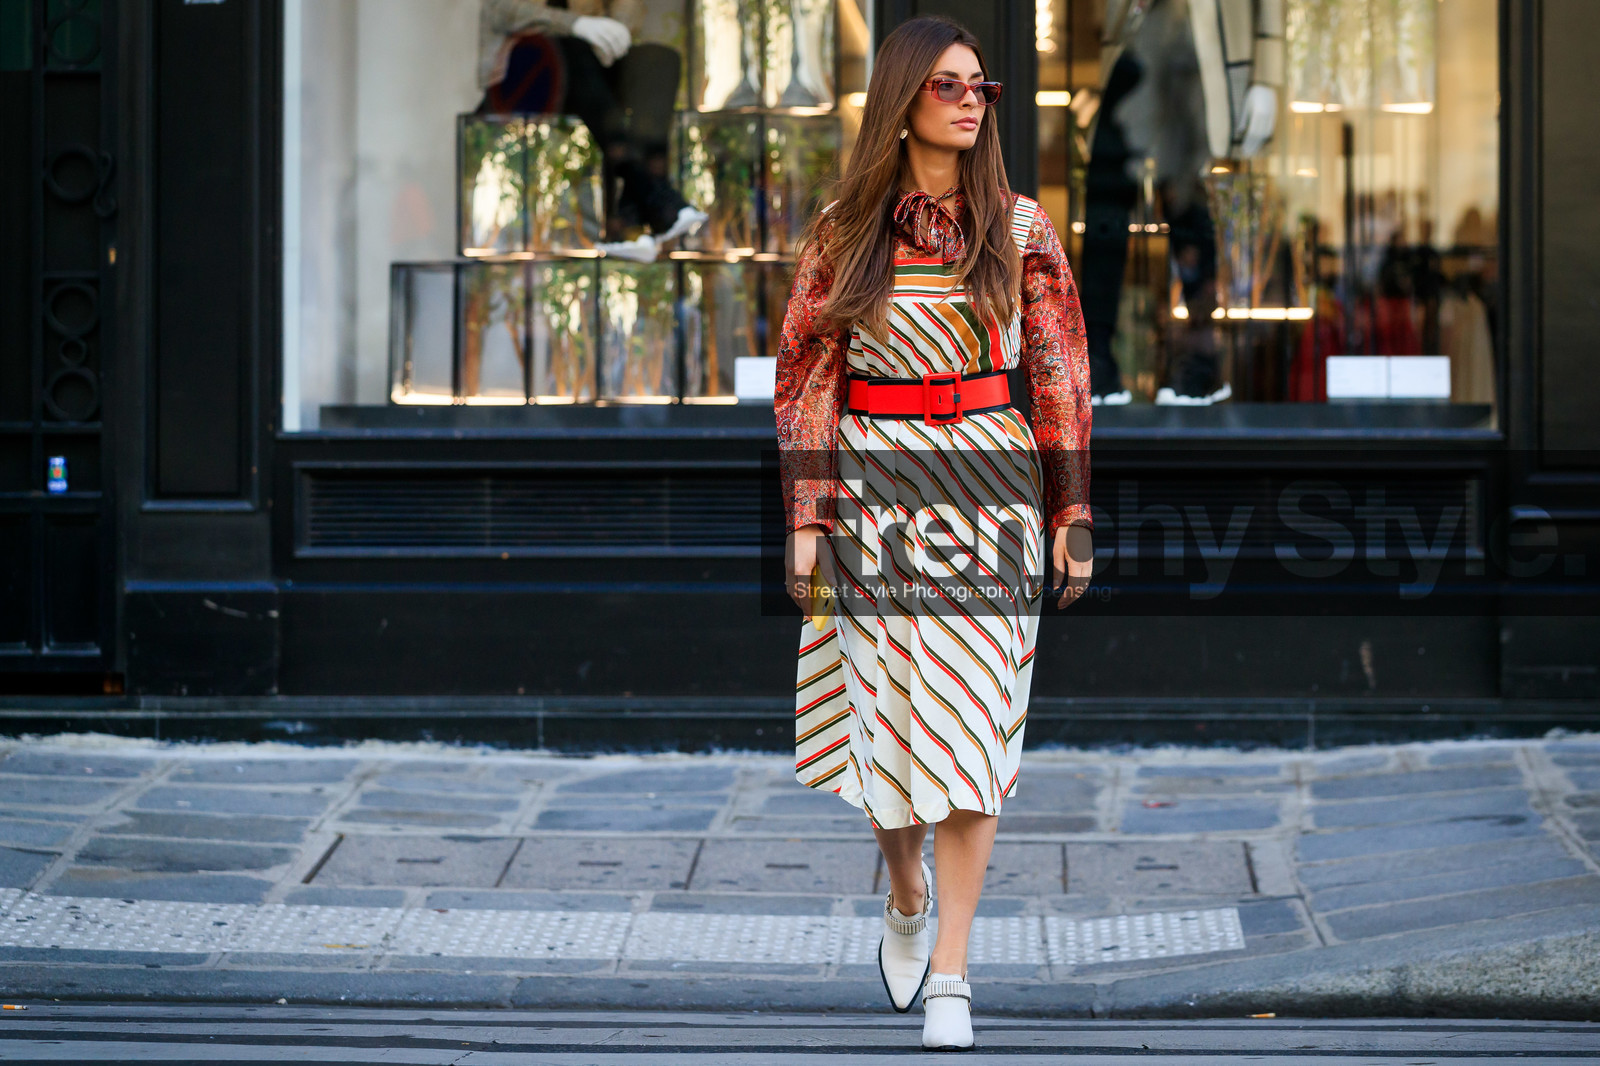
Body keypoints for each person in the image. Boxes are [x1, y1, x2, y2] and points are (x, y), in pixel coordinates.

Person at [773, 14, 1094, 1052]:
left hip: (990, 490)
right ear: (902, 97)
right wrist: (808, 517)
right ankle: (903, 888)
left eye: (980, 87)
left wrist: (1071, 510)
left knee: (974, 723)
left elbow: (1058, 376)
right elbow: (807, 381)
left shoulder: (1023, 231)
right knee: (886, 726)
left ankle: (950, 970)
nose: (969, 100)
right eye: (947, 85)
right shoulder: (841, 231)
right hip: (872, 491)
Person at [476, 0, 707, 261]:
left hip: (588, 67)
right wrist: (576, 24)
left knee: (660, 60)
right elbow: (501, 10)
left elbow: (626, 15)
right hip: (523, 70)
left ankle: (629, 214)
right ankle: (655, 197)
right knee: (573, 48)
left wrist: (614, 29)